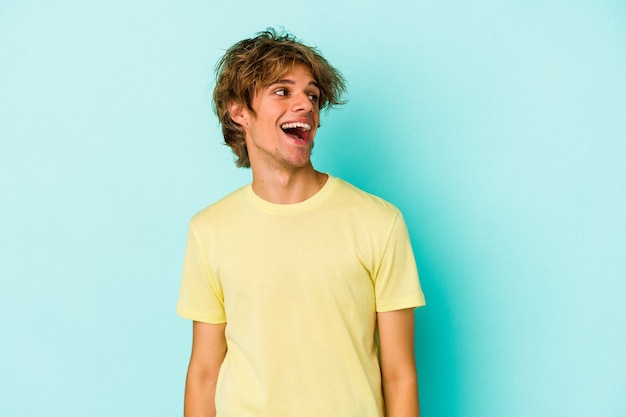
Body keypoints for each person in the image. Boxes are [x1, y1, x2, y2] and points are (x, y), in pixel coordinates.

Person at [176, 28, 426, 417]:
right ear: (239, 110)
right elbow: (205, 373)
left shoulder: (379, 222)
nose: (305, 105)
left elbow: (399, 375)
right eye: (282, 91)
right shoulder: (210, 230)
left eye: (312, 95)